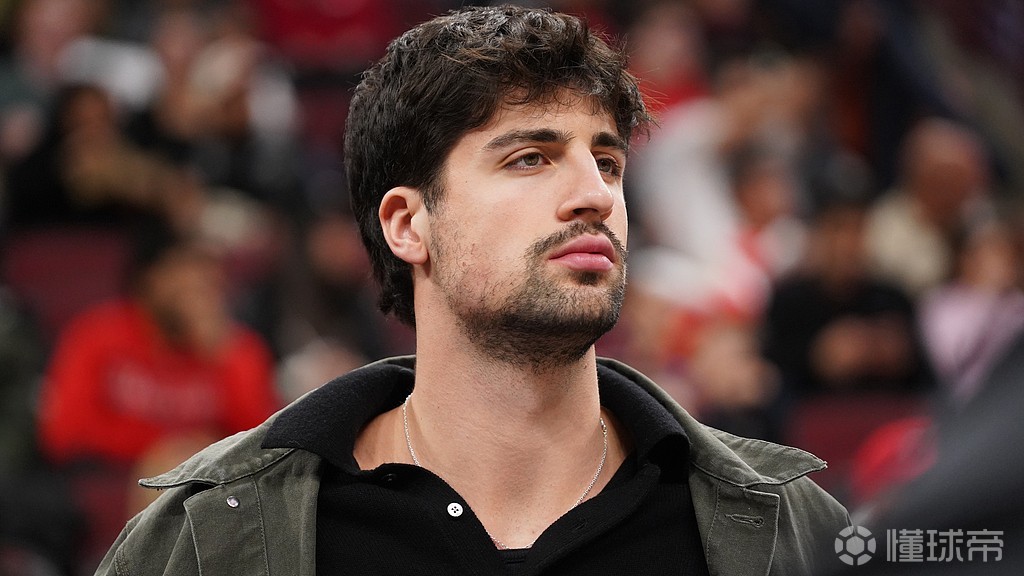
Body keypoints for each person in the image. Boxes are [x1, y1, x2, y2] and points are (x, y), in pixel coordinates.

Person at [95, 6, 849, 575]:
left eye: (608, 162)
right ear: (407, 224)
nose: (595, 195)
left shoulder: (793, 528)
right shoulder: (204, 539)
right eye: (530, 158)